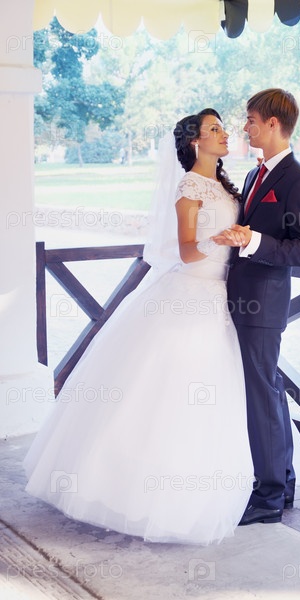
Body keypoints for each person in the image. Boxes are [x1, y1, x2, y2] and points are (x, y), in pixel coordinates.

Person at [23, 109, 255, 546]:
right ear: (195, 142)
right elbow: (186, 251)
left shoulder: (226, 185)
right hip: (188, 292)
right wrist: (220, 239)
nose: (225, 134)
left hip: (217, 297)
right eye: (215, 129)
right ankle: (133, 490)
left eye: (223, 127)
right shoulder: (188, 187)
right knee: (165, 390)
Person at [214, 89, 300, 526]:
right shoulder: (255, 175)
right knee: (270, 393)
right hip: (241, 298)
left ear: (273, 123)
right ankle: (284, 484)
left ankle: (268, 497)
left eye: (251, 120)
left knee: (262, 397)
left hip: (263, 304)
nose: (245, 127)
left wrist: (253, 240)